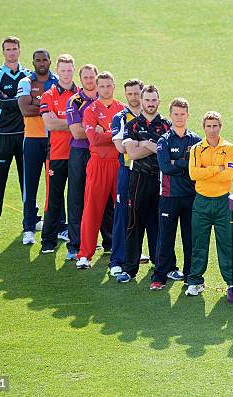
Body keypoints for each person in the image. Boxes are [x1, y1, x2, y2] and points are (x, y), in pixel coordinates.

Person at [116, 85, 171, 283]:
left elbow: (167, 153)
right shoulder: (132, 125)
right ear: (141, 100)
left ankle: (164, 267)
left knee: (161, 224)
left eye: (154, 100)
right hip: (138, 179)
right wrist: (152, 146)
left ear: (158, 101)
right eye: (147, 100)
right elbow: (132, 154)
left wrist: (144, 143)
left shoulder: (167, 125)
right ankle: (130, 269)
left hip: (161, 180)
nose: (150, 103)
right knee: (134, 223)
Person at [0, 36, 30, 236]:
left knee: (28, 179)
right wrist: (24, 101)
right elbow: (1, 101)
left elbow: (35, 100)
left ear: (19, 50)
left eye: (15, 49)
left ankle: (32, 218)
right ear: (3, 52)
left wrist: (16, 100)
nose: (12, 52)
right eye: (8, 49)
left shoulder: (29, 75)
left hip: (26, 135)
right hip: (3, 135)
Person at [75, 72, 124, 270]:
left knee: (124, 210)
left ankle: (129, 251)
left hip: (119, 164)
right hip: (98, 164)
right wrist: (113, 135)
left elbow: (124, 137)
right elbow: (93, 139)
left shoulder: (122, 109)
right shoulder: (90, 109)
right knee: (92, 209)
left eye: (108, 85)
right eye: (101, 86)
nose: (105, 89)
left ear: (114, 86)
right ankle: (85, 254)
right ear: (96, 87)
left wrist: (103, 132)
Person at [151, 98, 201, 289]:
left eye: (182, 114)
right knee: (165, 238)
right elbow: (165, 166)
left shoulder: (196, 140)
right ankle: (159, 277)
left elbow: (196, 167)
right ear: (170, 116)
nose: (179, 117)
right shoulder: (164, 139)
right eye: (176, 114)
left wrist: (176, 162)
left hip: (190, 196)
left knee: (190, 238)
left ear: (188, 115)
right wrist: (184, 163)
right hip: (169, 197)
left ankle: (190, 277)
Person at [185, 111, 233, 296]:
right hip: (202, 202)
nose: (212, 130)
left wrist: (206, 170)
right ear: (203, 127)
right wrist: (217, 169)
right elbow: (193, 174)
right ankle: (195, 281)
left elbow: (229, 175)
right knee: (199, 243)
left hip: (223, 202)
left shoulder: (228, 148)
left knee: (227, 243)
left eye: (215, 126)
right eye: (209, 126)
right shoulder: (197, 149)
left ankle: (231, 282)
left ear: (220, 127)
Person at [65, 64, 113, 260]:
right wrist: (96, 131)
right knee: (77, 198)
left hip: (103, 156)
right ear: (81, 79)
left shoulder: (107, 102)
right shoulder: (75, 100)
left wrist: (100, 131)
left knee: (107, 201)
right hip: (79, 152)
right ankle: (75, 245)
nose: (89, 80)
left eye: (92, 77)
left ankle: (109, 242)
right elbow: (76, 132)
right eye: (85, 77)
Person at [17, 49, 60, 245]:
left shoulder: (59, 81)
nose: (41, 63)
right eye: (38, 60)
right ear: (33, 62)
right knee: (31, 184)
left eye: (44, 59)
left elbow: (60, 110)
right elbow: (25, 109)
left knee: (56, 184)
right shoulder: (26, 82)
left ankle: (59, 225)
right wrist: (46, 106)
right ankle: (28, 227)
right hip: (33, 138)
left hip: (55, 139)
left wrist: (37, 103)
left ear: (50, 61)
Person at [40, 54, 79, 253]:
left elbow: (85, 126)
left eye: (69, 70)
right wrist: (74, 123)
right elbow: (49, 123)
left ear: (74, 70)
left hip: (78, 155)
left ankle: (76, 244)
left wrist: (62, 123)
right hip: (55, 155)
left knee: (75, 200)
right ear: (57, 71)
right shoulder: (48, 95)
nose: (66, 74)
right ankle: (47, 241)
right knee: (53, 199)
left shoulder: (81, 94)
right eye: (62, 70)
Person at [108, 79, 143, 276]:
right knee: (122, 215)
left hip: (149, 173)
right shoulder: (120, 118)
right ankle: (117, 260)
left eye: (136, 93)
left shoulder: (152, 118)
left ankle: (154, 259)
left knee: (149, 216)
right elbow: (120, 148)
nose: (133, 97)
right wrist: (146, 144)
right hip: (127, 171)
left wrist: (136, 146)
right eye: (129, 94)